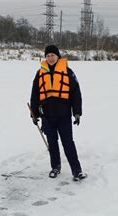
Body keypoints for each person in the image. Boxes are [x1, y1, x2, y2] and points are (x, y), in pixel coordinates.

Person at [30, 45, 87, 182]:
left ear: (58, 56)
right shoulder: (40, 73)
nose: (50, 58)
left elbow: (76, 94)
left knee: (68, 142)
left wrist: (77, 112)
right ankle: (55, 167)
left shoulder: (68, 72)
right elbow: (35, 95)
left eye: (53, 55)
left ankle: (77, 170)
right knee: (52, 143)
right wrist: (34, 113)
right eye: (48, 56)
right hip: (47, 116)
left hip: (64, 115)